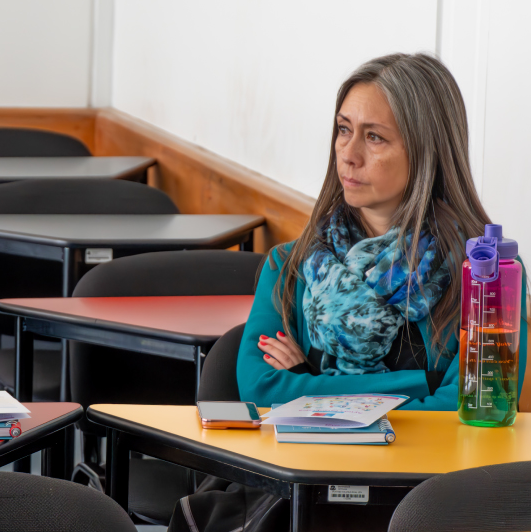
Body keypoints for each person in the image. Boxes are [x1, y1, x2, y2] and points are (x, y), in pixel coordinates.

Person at [168, 52, 527, 532]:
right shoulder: (290, 266)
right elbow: (262, 388)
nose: (349, 153)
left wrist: (308, 381)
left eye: (374, 136)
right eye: (343, 129)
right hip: (303, 494)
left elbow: (470, 407)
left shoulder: (488, 274)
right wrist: (418, 384)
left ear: (427, 152)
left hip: (429, 501)